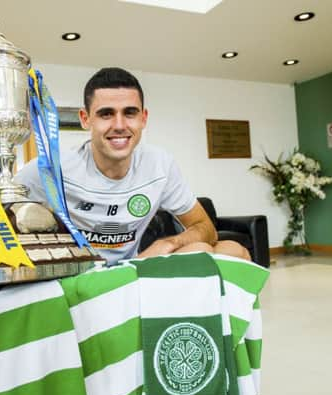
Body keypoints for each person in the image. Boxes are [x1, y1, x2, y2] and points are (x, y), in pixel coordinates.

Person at [16, 67, 250, 265]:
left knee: (234, 251)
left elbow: (205, 227)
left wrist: (168, 243)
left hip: (132, 270)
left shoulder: (160, 165)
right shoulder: (49, 169)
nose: (119, 125)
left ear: (143, 118)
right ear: (86, 119)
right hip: (80, 276)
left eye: (129, 113)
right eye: (106, 114)